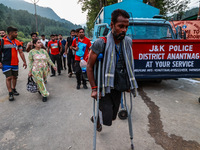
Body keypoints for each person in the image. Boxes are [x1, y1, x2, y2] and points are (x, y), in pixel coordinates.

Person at [87, 9, 138, 131]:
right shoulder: (100, 43)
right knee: (108, 118)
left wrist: (129, 83)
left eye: (126, 27)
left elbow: (128, 65)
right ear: (112, 25)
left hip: (118, 84)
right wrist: (94, 89)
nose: (124, 30)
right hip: (103, 86)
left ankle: (97, 118)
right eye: (120, 26)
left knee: (113, 117)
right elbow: (89, 66)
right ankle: (97, 119)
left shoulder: (127, 42)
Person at [0, 26, 27, 101]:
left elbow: (21, 52)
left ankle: (13, 89)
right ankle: (10, 93)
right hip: (6, 63)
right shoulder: (2, 41)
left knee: (15, 77)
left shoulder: (17, 42)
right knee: (8, 77)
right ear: (11, 33)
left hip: (15, 63)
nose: (17, 34)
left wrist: (24, 62)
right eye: (15, 32)